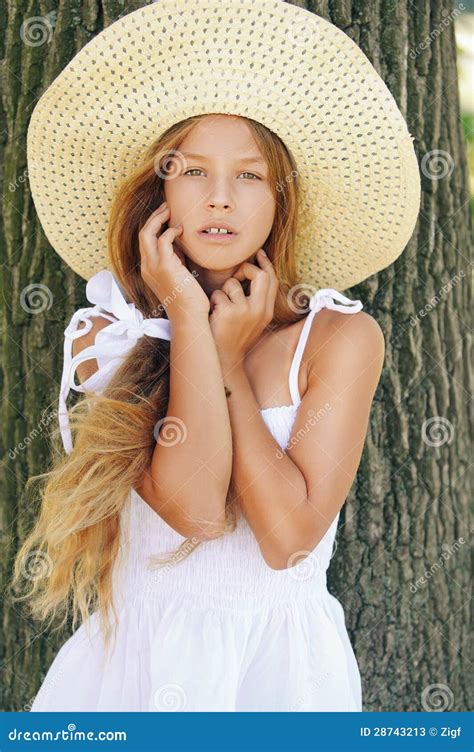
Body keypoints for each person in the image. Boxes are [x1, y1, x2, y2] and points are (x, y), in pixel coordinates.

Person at [13, 0, 420, 712]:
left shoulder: (338, 340)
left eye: (251, 176)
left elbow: (288, 539)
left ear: (282, 197)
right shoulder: (108, 335)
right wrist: (187, 320)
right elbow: (196, 510)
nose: (221, 200)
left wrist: (230, 365)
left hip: (279, 679)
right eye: (192, 171)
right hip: (128, 675)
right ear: (158, 192)